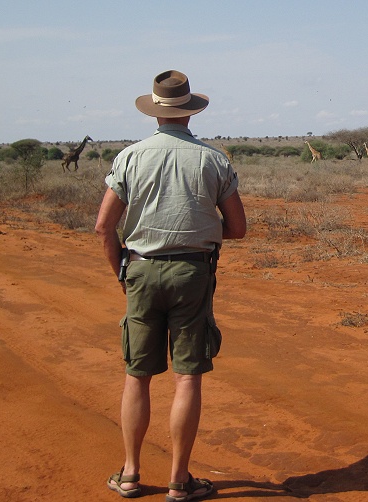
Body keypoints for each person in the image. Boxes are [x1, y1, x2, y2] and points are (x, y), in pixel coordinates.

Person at [95, 69, 247, 501]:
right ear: (190, 111)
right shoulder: (213, 160)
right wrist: (198, 227)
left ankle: (130, 474)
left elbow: (104, 228)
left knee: (137, 375)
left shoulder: (129, 158)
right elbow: (237, 228)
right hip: (193, 273)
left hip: (140, 271)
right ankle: (180, 481)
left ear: (156, 112)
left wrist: (123, 272)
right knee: (187, 378)